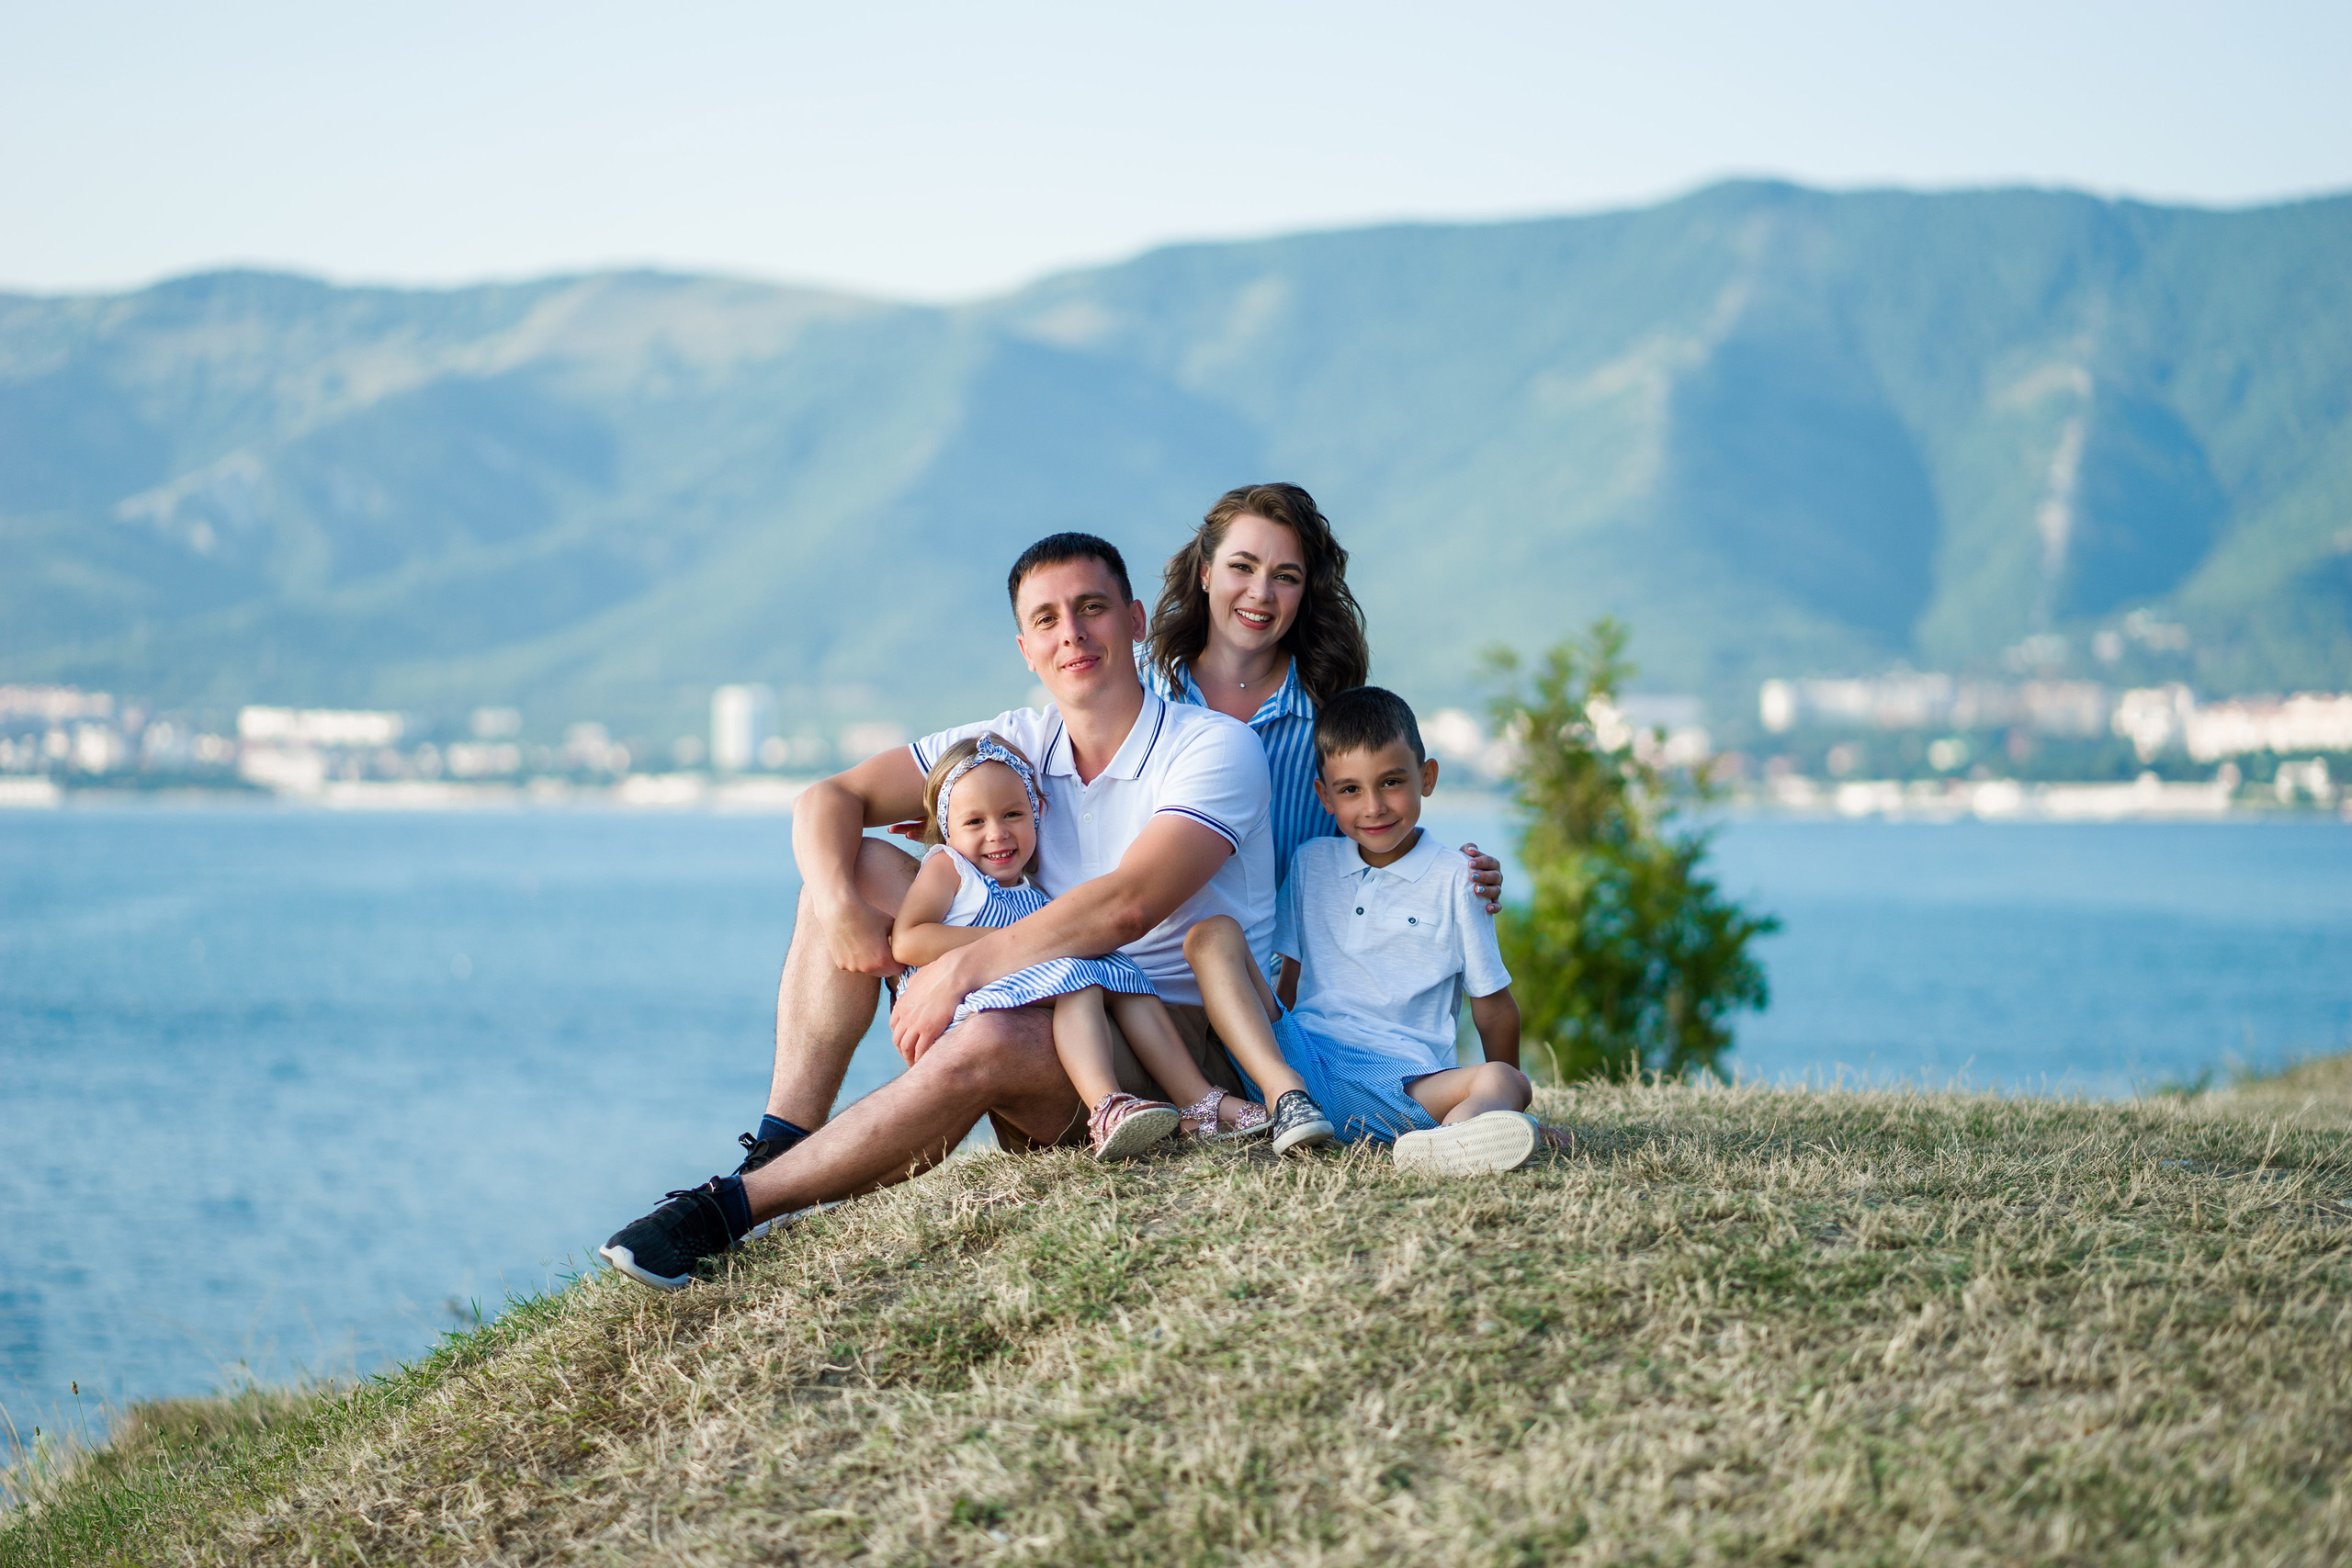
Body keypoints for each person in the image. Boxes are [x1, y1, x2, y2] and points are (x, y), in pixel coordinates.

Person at [599, 533, 1329, 1292]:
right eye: (1046, 620)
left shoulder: (1213, 747)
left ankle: (726, 1212)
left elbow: (1127, 906)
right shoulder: (1010, 743)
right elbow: (830, 798)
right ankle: (780, 1143)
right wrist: (839, 905)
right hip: (1053, 1000)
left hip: (1171, 1034)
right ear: (1025, 646)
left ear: (1137, 620)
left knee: (993, 1031)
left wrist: (958, 970)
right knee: (851, 863)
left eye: (1092, 609)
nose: (1071, 635)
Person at [888, 732, 1273, 1158]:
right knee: (1078, 977)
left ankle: (1197, 1101)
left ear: (1035, 814)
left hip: (1019, 986)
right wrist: (1013, 945)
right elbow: (907, 940)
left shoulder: (1030, 889)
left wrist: (1031, 948)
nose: (997, 834)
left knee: (1124, 976)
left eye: (1013, 814)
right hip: (962, 1001)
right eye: (975, 822)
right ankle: (1106, 1106)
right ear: (947, 828)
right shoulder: (950, 867)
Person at [1145, 482, 1506, 910]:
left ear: (1305, 593)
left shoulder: (1329, 718)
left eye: (1285, 576)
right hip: (1135, 959)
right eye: (1242, 567)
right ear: (1205, 572)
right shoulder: (1135, 685)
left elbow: (1375, 839)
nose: (1261, 592)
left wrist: (1458, 874)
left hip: (1276, 972)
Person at [1263, 685, 1547, 1173]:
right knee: (1216, 943)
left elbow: (1494, 1006)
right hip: (1303, 1075)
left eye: (1391, 782)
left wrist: (1508, 1097)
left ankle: (1454, 1141)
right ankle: (1470, 1133)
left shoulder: (1459, 877)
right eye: (1350, 789)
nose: (1373, 807)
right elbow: (1289, 979)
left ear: (1427, 777)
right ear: (1324, 796)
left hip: (1405, 1084)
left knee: (1507, 1081)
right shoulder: (1310, 863)